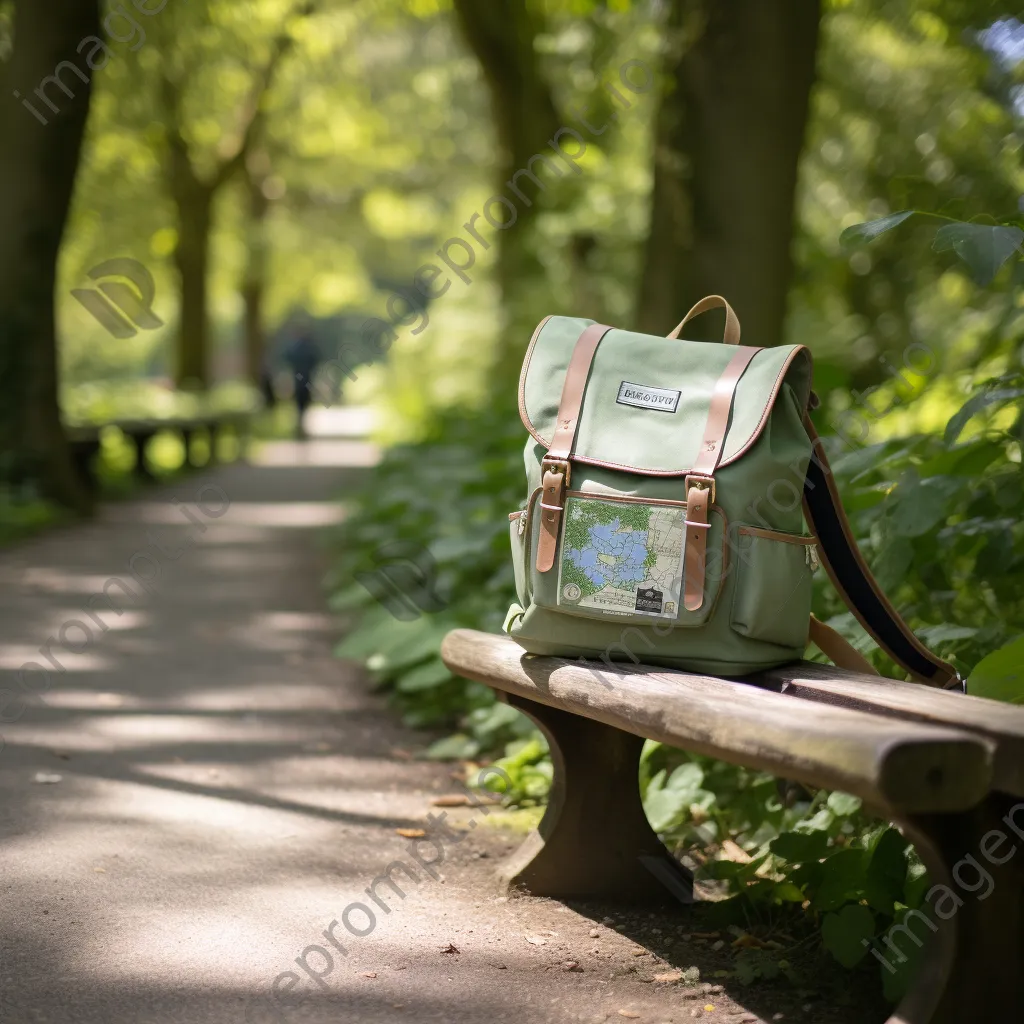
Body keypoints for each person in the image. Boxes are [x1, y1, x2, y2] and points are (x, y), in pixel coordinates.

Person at [284, 316, 322, 439]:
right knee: (303, 402)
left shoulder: (295, 347)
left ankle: (300, 426)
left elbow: (287, 358)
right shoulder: (309, 346)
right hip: (305, 379)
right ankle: (301, 426)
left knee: (301, 403)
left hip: (300, 379)